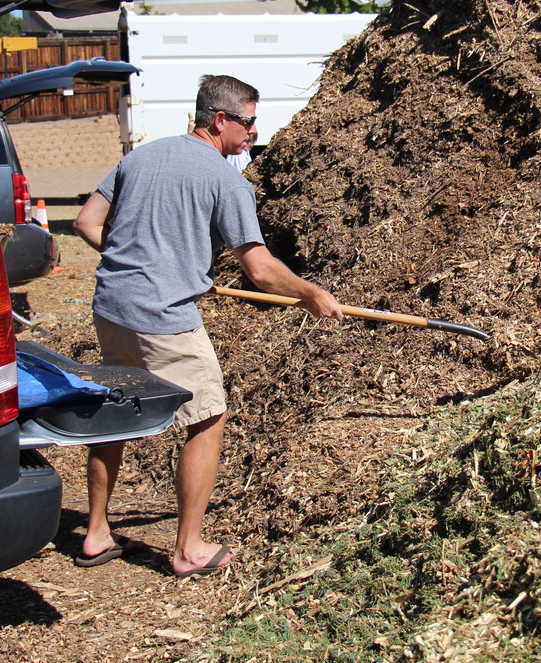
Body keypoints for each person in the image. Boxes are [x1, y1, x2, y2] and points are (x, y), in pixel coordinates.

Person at [72, 74, 343, 577]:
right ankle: (188, 548)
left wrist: (139, 262)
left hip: (111, 306)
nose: (254, 132)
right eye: (249, 121)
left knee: (117, 412)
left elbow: (87, 223)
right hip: (164, 317)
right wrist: (310, 293)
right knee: (208, 415)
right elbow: (259, 269)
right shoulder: (227, 180)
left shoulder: (141, 157)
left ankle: (95, 532)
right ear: (220, 120)